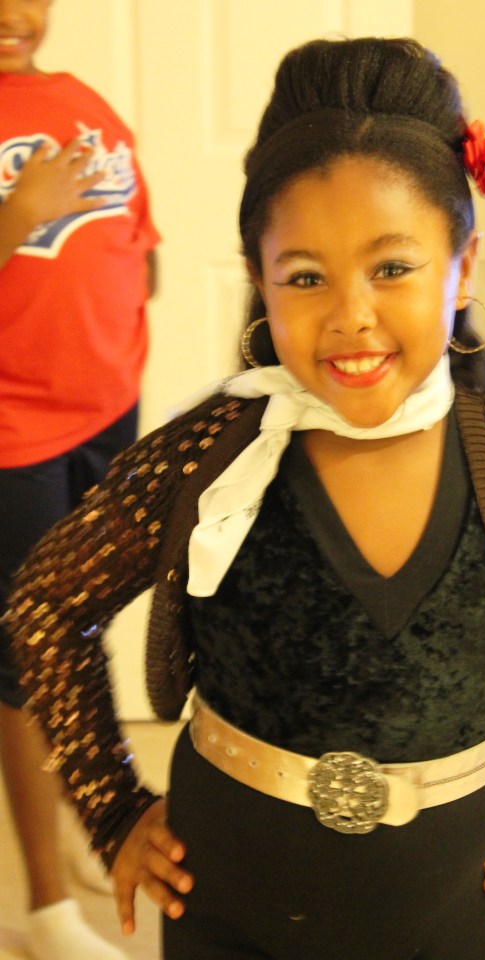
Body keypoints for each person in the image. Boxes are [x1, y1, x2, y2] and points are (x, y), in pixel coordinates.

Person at [3, 36, 485, 960]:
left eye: (393, 268)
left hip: (459, 918)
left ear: (463, 262)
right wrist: (111, 806)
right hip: (229, 914)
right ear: (258, 276)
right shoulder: (205, 458)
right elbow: (45, 604)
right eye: (305, 276)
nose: (350, 315)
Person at [0, 1, 159, 958]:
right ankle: (47, 909)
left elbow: (141, 245)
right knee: (23, 661)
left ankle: (90, 814)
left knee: (84, 623)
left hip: (107, 414)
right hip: (13, 433)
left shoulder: (85, 103)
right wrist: (17, 216)